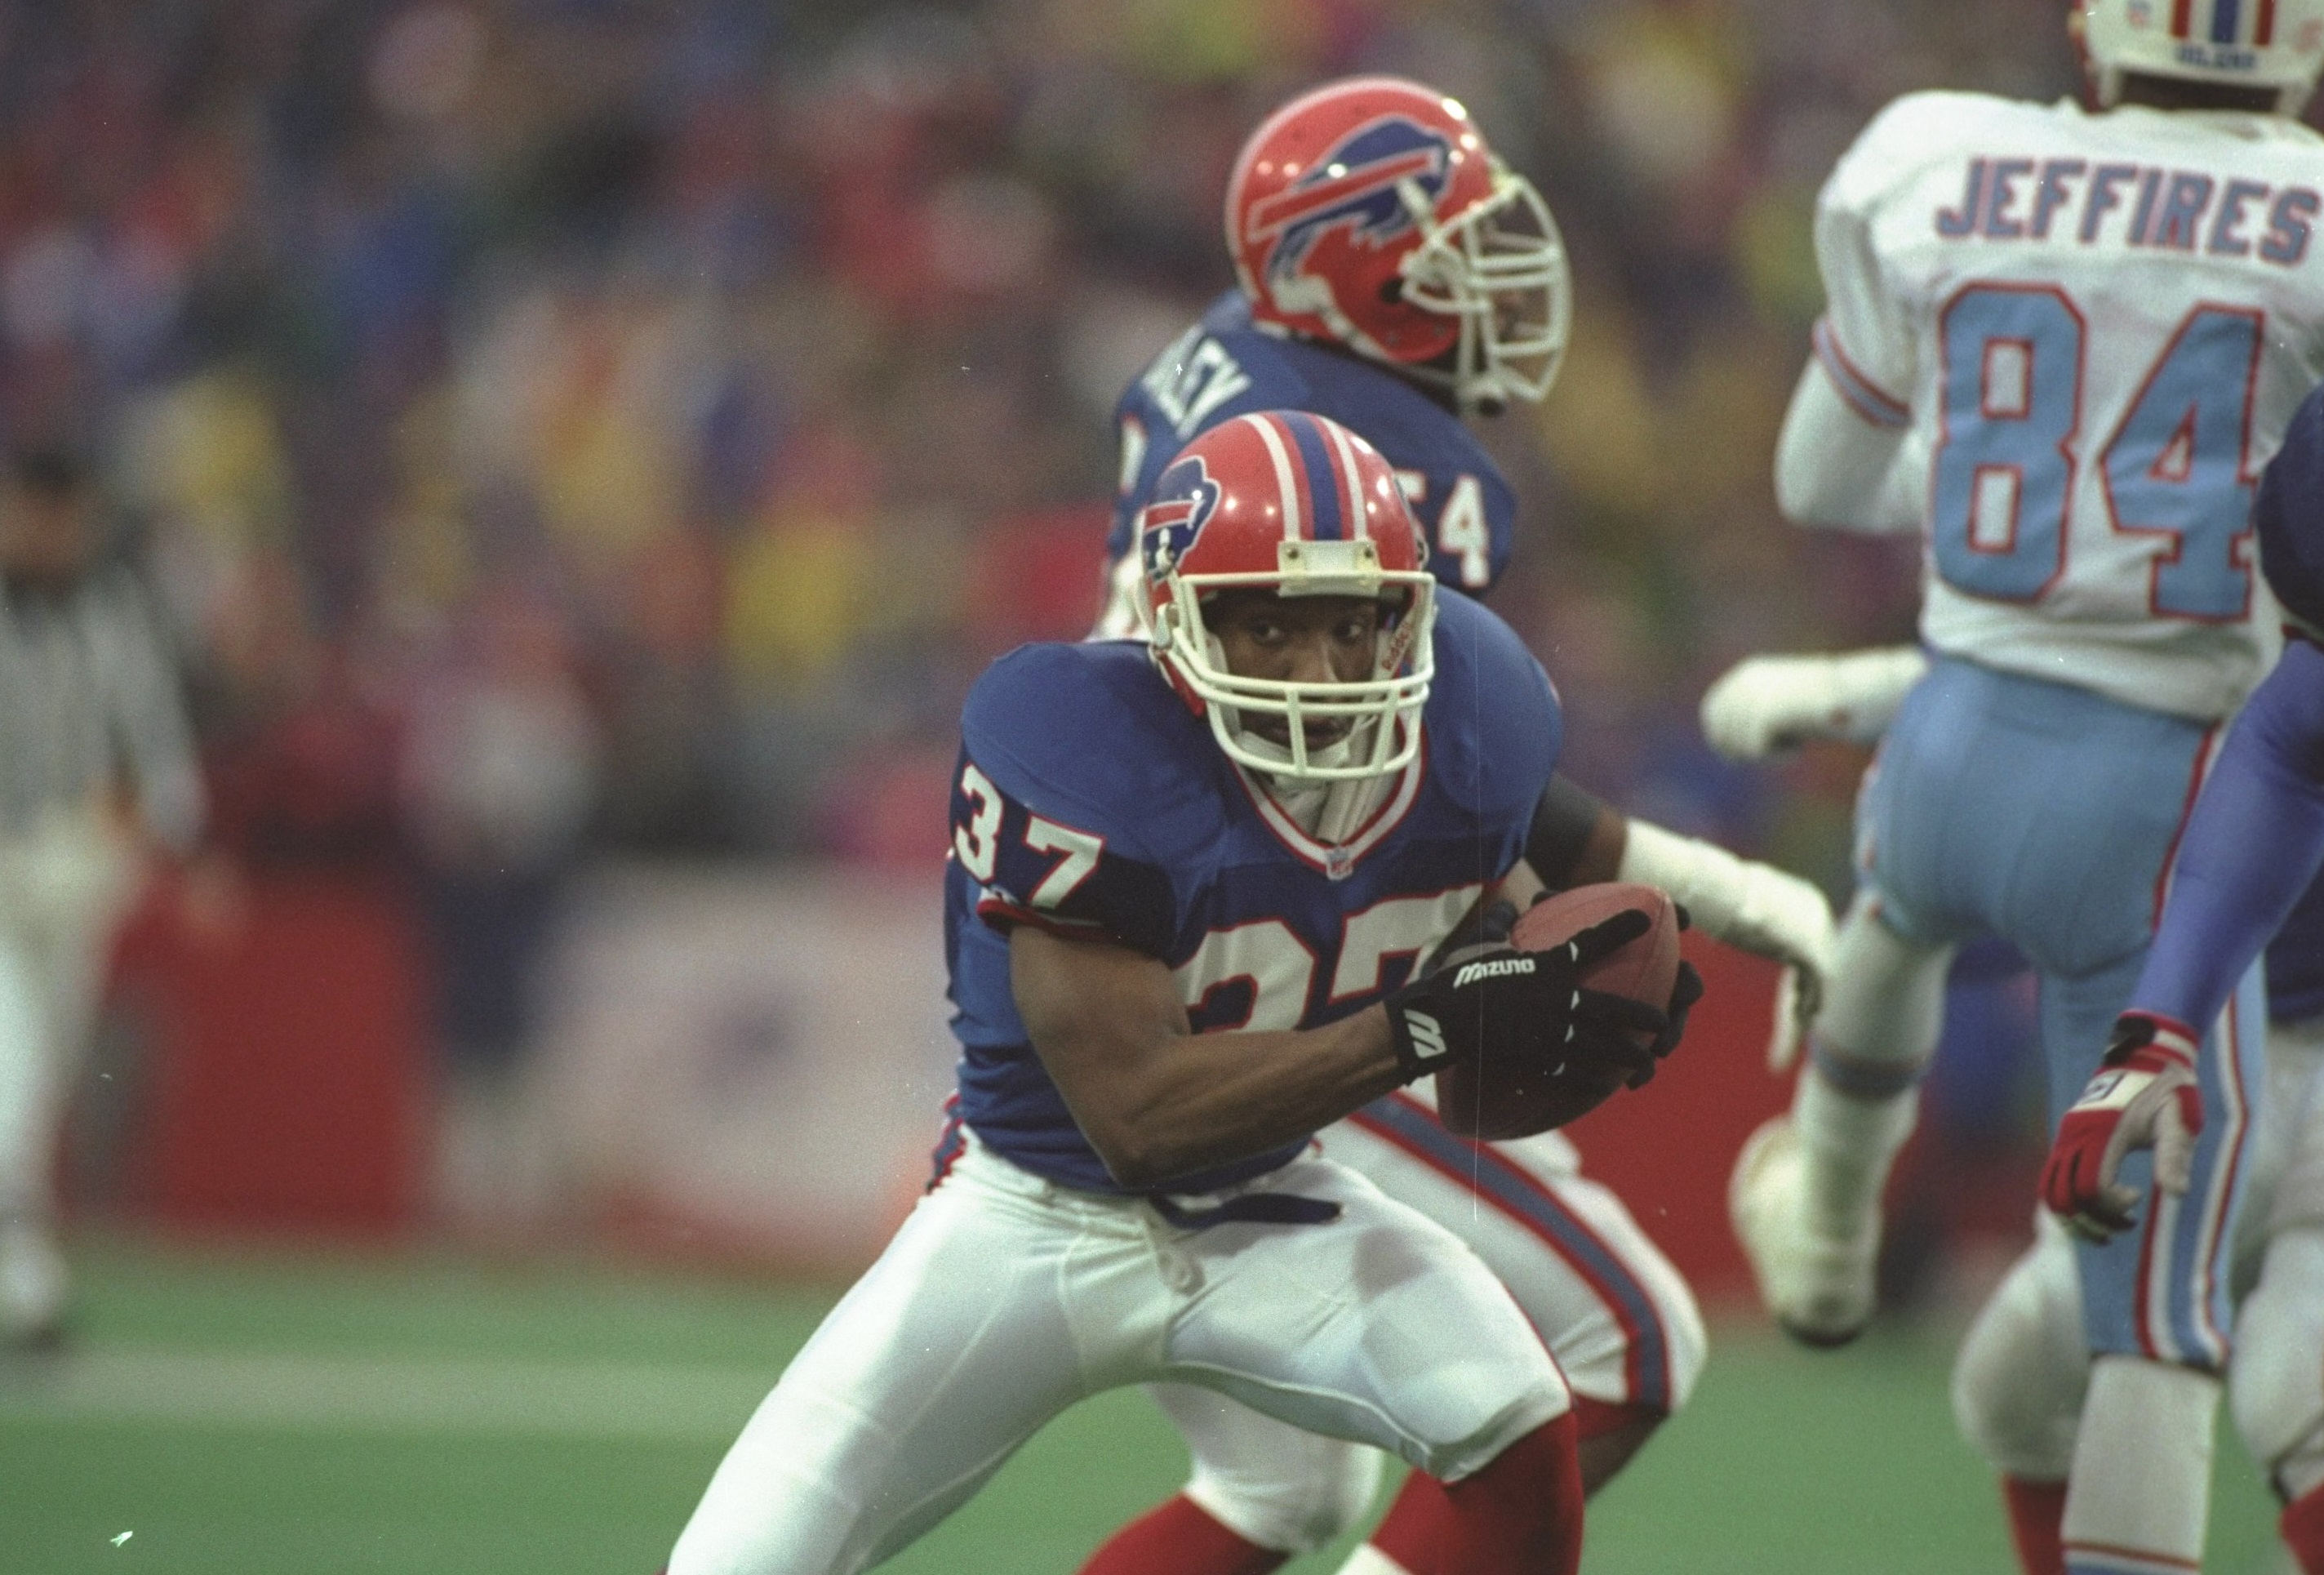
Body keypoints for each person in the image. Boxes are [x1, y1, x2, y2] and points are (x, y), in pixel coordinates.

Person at [663, 410, 1687, 1575]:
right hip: (1034, 1219)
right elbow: (1138, 1120)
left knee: (1511, 1420)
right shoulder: (1075, 739)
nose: (1324, 672)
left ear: (1407, 612)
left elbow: (1484, 889)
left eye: (1353, 625)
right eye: (1266, 627)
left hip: (1267, 1201)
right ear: (1174, 625)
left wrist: (1588, 967)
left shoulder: (1479, 709)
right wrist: (1426, 1023)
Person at [1078, 76, 1830, 1575]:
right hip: (1262, 958)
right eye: (1449, 250)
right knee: (1627, 1337)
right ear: (1341, 266)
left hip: (1114, 926)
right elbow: (1418, 775)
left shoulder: (1208, 360)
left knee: (1280, 1493)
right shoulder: (1392, 459)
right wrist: (1720, 888)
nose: (1490, 281)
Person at [1722, 4, 2324, 1572]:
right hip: (2161, 789)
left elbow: (1816, 481)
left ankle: (1831, 1236)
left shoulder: (1938, 156)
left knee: (1890, 922)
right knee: (2154, 1329)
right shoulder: (2306, 218)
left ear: (2087, 30)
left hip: (1948, 732)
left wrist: (2014, 467)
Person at [0, 447, 203, 1348]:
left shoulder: (110, 610)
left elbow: (154, 745)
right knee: (11, 1075)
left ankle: (28, 1270)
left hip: (74, 876)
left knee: (45, 1079)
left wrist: (169, 837)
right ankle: (30, 1284)